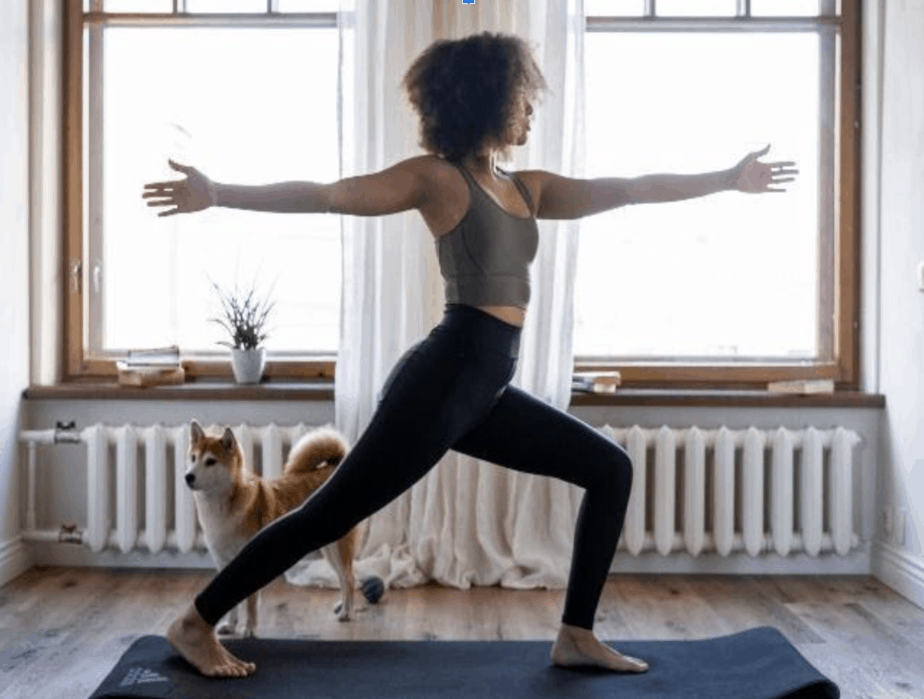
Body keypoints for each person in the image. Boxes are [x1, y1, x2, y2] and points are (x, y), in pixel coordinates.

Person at [142, 31, 797, 679]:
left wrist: (728, 178)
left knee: (610, 469)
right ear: (490, 100)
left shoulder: (526, 187)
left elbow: (629, 186)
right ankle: (195, 622)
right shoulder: (439, 179)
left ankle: (575, 632)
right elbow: (331, 193)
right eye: (523, 98)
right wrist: (221, 192)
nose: (531, 111)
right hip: (442, 379)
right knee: (327, 515)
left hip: (484, 388)